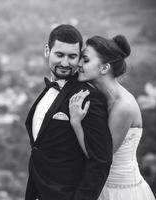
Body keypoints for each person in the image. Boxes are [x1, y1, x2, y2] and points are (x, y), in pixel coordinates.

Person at [24, 24, 113, 200]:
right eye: (59, 55)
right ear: (47, 51)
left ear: (79, 57)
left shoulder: (88, 97)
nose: (65, 63)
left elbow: (101, 161)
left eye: (72, 56)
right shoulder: (47, 90)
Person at [69, 34, 156, 200]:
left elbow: (99, 157)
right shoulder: (100, 97)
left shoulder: (123, 107)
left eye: (85, 60)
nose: (78, 64)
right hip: (100, 187)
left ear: (104, 68)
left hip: (121, 192)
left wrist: (76, 123)